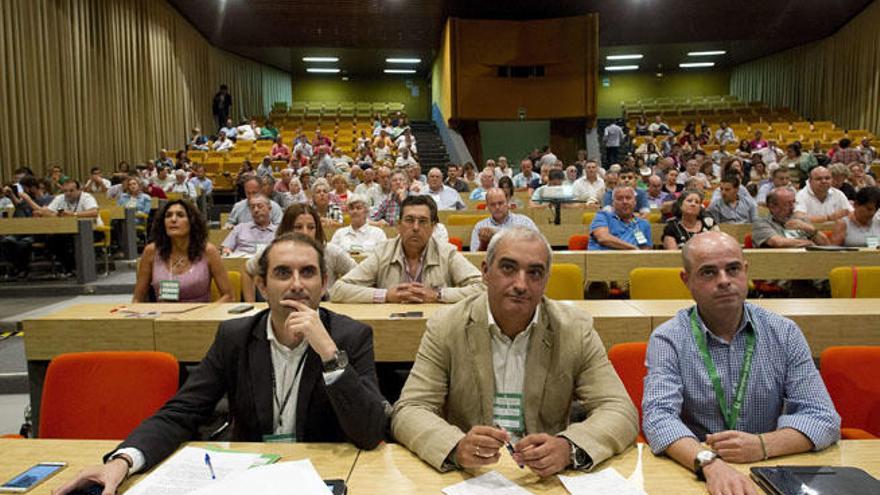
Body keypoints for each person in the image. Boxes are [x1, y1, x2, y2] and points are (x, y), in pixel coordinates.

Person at [55, 233, 387, 495]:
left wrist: (329, 353)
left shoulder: (350, 336)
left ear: (324, 284)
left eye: (308, 273)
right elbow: (183, 411)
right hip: (252, 480)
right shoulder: (235, 336)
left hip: (323, 477)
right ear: (261, 285)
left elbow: (370, 432)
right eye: (283, 273)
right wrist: (123, 461)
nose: (297, 284)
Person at [391, 227, 638, 474]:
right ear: (486, 272)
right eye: (508, 268)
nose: (521, 284)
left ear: (545, 280)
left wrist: (568, 447)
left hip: (545, 478)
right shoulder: (446, 326)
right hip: (471, 475)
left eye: (534, 273)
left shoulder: (575, 329)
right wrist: (455, 446)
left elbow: (619, 409)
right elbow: (410, 409)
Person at [642, 232, 840, 495]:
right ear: (686, 280)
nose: (724, 281)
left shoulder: (784, 332)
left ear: (745, 271)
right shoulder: (668, 338)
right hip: (695, 472)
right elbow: (658, 417)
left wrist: (763, 444)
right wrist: (709, 463)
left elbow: (824, 417)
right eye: (709, 273)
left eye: (733, 269)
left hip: (769, 467)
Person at [330, 195, 483, 304]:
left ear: (433, 228)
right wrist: (385, 295)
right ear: (399, 225)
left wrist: (438, 295)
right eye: (409, 220)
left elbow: (483, 287)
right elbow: (338, 290)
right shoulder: (382, 252)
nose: (415, 227)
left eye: (423, 221)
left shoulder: (447, 253)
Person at [133, 200, 232, 303]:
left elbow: (228, 296)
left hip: (199, 316)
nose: (173, 219)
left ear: (192, 222)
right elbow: (137, 299)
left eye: (180, 215)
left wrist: (207, 313)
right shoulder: (151, 251)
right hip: (163, 316)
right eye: (168, 216)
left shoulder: (208, 251)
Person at [469, 188, 538, 252]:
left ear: (507, 202)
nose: (497, 207)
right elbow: (474, 257)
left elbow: (538, 246)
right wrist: (483, 244)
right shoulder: (480, 227)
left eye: (500, 203)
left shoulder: (525, 222)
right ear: (487, 206)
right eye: (492, 204)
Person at [588, 186, 652, 250]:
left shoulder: (643, 223)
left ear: (635, 202)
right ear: (613, 203)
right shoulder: (602, 216)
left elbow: (646, 249)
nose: (624, 202)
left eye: (628, 198)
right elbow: (603, 238)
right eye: (619, 198)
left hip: (632, 259)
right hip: (602, 258)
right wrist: (632, 248)